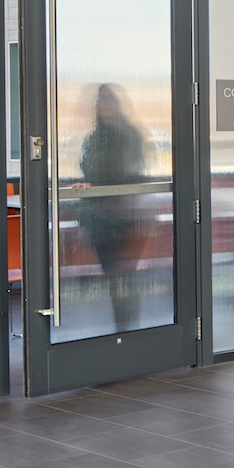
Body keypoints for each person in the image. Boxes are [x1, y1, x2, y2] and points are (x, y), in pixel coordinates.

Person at [80, 84, 147, 333]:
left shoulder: (128, 134)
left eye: (108, 98)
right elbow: (87, 168)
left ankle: (126, 331)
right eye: (99, 98)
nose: (103, 102)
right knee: (114, 276)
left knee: (122, 276)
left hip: (124, 217)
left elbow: (128, 171)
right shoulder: (94, 137)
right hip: (100, 219)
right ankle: (122, 332)